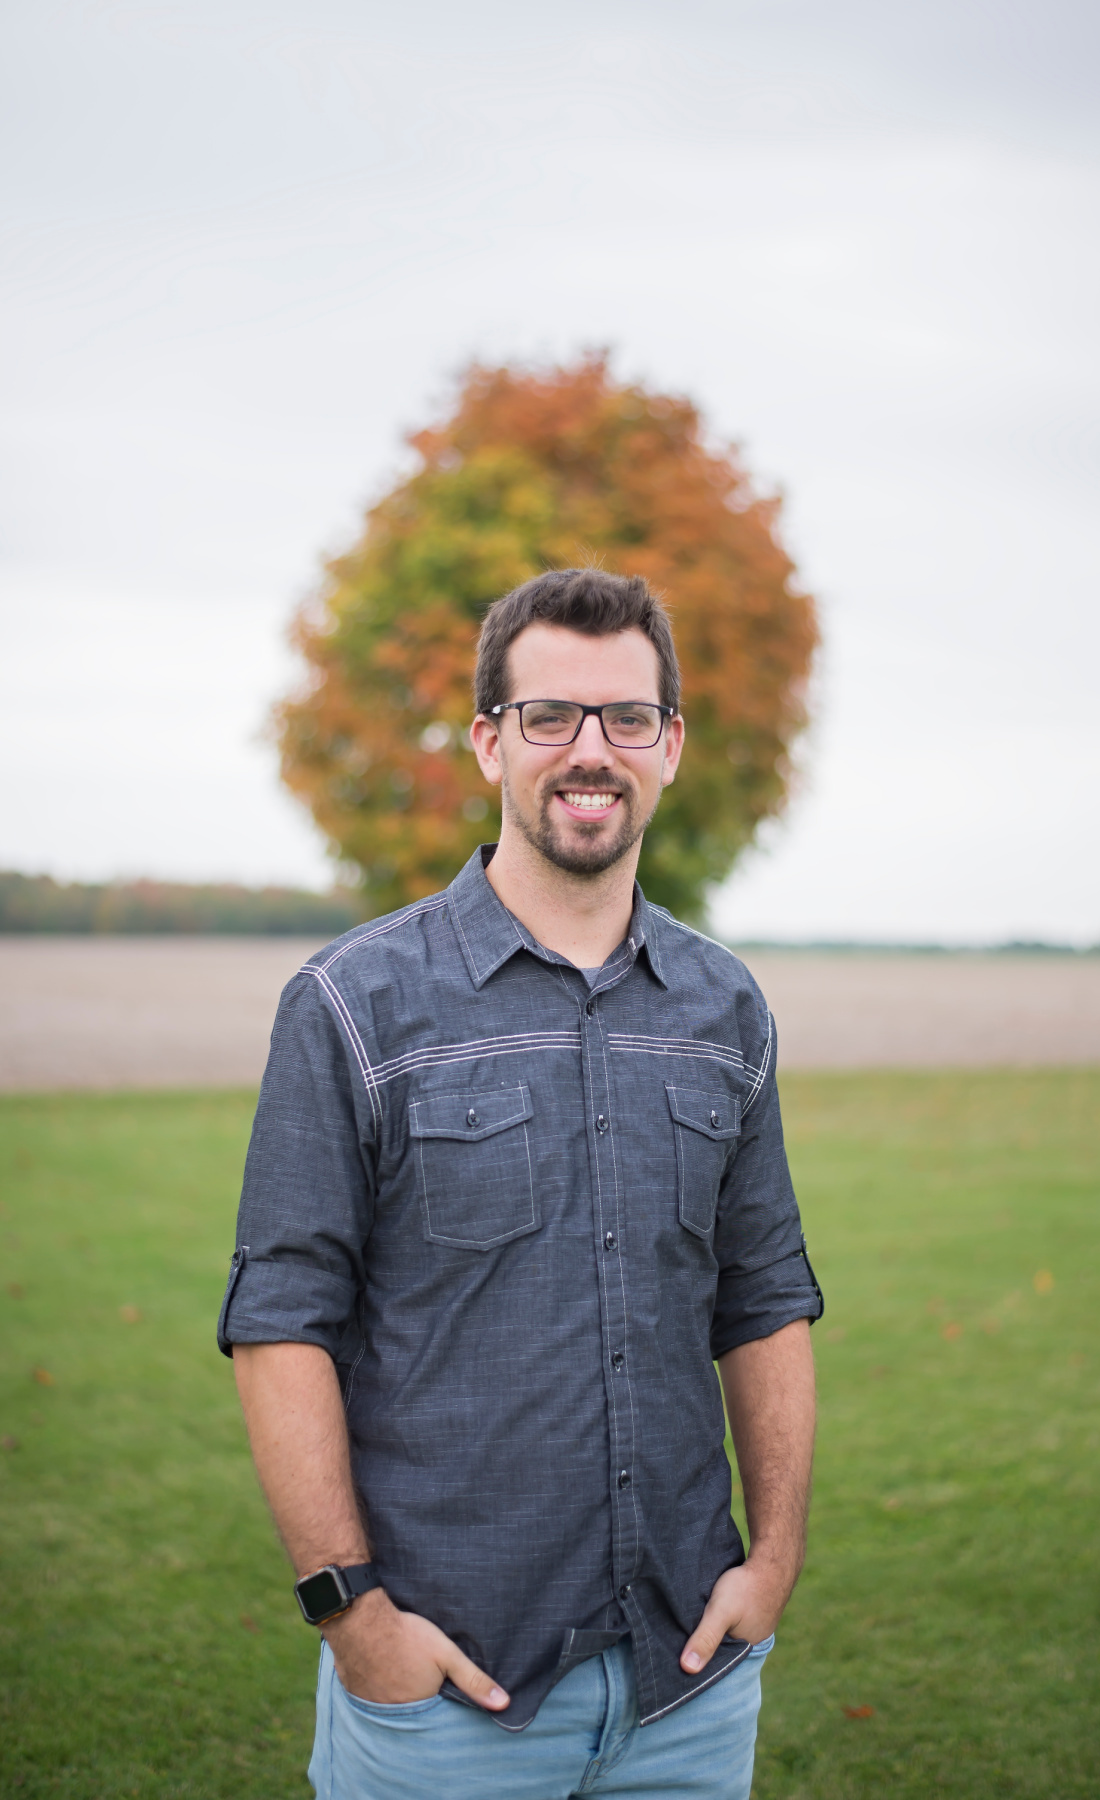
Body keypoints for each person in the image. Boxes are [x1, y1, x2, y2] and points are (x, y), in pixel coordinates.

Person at [219, 567, 823, 1800]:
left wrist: (776, 1566)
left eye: (626, 718)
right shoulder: (351, 1005)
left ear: (670, 746)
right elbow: (282, 1322)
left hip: (689, 1690)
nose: (589, 750)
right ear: (492, 741)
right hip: (445, 1698)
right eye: (550, 717)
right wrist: (353, 1619)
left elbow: (764, 1296)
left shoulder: (725, 1010)